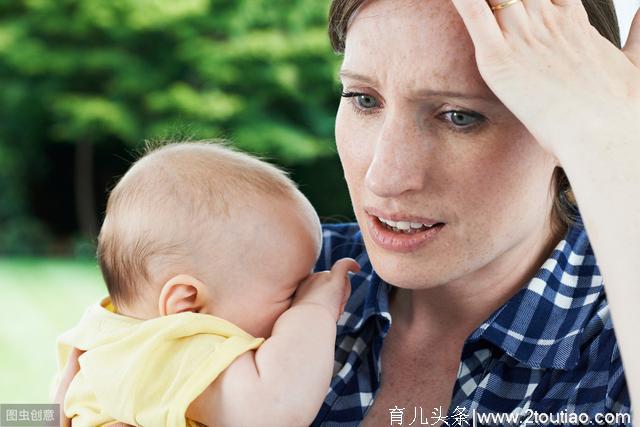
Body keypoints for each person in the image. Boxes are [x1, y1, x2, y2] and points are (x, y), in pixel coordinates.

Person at [57, 0, 640, 425]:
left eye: (460, 116)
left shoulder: (614, 331)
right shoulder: (275, 265)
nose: (384, 176)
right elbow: (39, 402)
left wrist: (615, 137)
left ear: (566, 130)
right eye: (363, 99)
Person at [54, 141, 359, 426]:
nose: (305, 292)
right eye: (293, 292)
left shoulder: (109, 336)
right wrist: (314, 308)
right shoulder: (171, 348)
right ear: (188, 303)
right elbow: (278, 407)